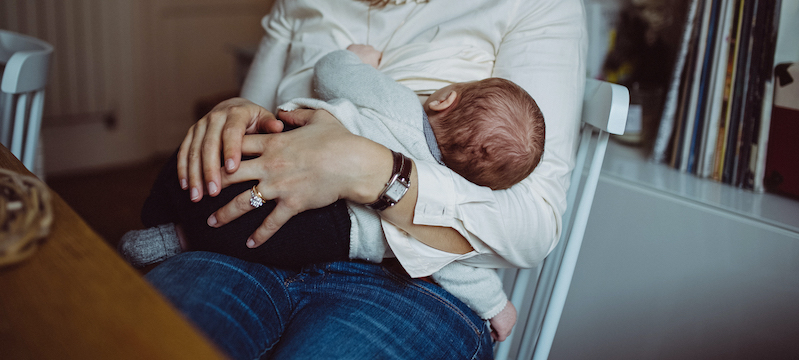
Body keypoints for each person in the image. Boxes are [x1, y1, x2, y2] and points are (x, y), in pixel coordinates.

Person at [145, 0, 586, 358]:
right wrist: (234, 115)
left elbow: (532, 223)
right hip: (247, 243)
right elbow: (257, 114)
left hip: (411, 286)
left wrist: (368, 170)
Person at [122, 45, 546, 340]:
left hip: (289, 149)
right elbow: (453, 263)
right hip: (327, 235)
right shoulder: (437, 196)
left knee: (216, 171)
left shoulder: (400, 104)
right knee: (251, 237)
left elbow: (333, 73)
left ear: (445, 100)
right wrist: (497, 307)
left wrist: (357, 58)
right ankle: (178, 238)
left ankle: (164, 220)